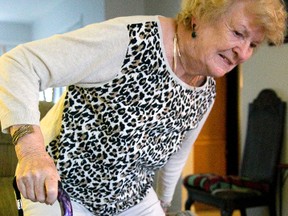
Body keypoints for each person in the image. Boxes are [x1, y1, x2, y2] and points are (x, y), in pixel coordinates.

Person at [0, 0, 286, 215]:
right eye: (238, 33)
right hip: (62, 187)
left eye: (254, 44)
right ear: (200, 16)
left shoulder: (206, 89)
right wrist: (32, 152)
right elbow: (18, 64)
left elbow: (178, 153)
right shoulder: (129, 39)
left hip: (131, 195)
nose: (244, 53)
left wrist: (162, 203)